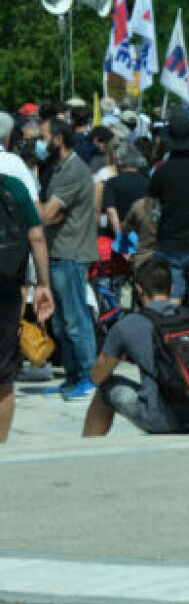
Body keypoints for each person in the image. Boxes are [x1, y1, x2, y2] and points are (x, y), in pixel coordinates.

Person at [80, 258, 189, 436]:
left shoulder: (127, 325)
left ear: (139, 289)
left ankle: (90, 448)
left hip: (164, 419)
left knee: (106, 388)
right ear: (171, 289)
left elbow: (97, 377)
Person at [41, 119, 99, 401]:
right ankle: (73, 376)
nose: (42, 144)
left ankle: (89, 377)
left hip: (71, 253)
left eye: (46, 137)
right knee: (62, 324)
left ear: (59, 139)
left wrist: (35, 206)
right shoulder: (60, 169)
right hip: (59, 252)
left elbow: (48, 214)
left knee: (76, 321)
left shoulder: (73, 171)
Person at [144, 114, 189, 328]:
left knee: (172, 297)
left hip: (170, 242)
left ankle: (172, 339)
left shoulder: (162, 171)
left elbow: (149, 206)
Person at [0, 169, 55, 443]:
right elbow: (37, 237)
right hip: (8, 288)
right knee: (3, 380)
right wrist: (43, 284)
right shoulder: (16, 188)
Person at [103, 143, 150, 238]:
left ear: (120, 162)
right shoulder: (148, 182)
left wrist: (120, 237)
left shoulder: (112, 183)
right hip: (143, 236)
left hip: (120, 236)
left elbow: (111, 211)